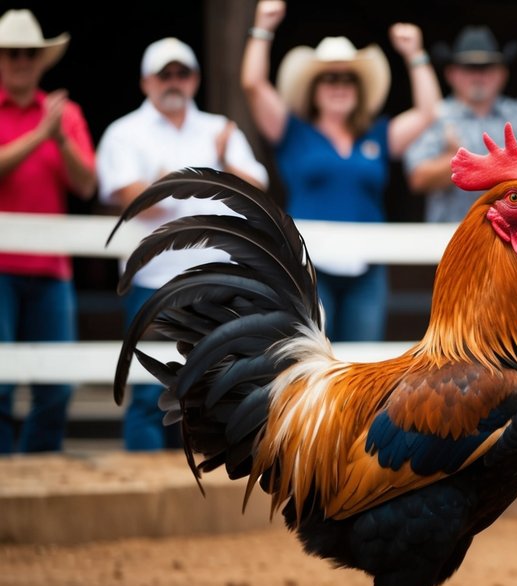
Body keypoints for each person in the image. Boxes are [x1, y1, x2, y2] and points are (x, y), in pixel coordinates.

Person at [97, 37, 270, 452]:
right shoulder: (124, 132)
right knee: (146, 394)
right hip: (154, 283)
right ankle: (144, 498)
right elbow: (127, 198)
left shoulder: (219, 128)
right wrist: (212, 182)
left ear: (194, 79)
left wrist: (181, 180)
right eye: (165, 74)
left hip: (218, 283)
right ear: (146, 82)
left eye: (182, 73)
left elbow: (259, 189)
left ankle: (193, 500)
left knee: (212, 393)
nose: (174, 81)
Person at [241, 0, 439, 342]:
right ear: (313, 89)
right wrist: (263, 28)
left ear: (359, 89)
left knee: (361, 366)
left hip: (368, 267)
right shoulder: (293, 131)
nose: (339, 85)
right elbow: (253, 84)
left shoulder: (376, 134)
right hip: (309, 267)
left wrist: (416, 54)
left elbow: (428, 112)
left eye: (348, 78)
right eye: (329, 77)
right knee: (312, 362)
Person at [0, 9, 96, 454]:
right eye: (12, 53)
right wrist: (42, 133)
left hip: (52, 272)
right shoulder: (51, 118)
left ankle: (35, 474)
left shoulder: (67, 116)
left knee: (56, 387)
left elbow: (87, 184)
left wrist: (58, 137)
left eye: (30, 53)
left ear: (42, 60)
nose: (21, 60)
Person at [405, 25, 517, 223]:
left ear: (502, 73)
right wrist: (451, 162)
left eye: (487, 67)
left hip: (505, 238)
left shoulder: (516, 113)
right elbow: (417, 178)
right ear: (451, 74)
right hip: (450, 235)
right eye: (469, 68)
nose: (478, 76)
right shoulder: (435, 115)